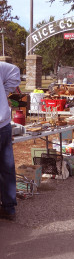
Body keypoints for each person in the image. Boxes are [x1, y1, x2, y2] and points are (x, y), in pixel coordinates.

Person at [0, 62, 21, 221]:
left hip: (4, 124)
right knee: (6, 168)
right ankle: (9, 208)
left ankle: (8, 208)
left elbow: (14, 71)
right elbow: (14, 71)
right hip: (4, 123)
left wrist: (4, 91)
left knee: (7, 167)